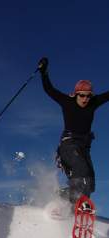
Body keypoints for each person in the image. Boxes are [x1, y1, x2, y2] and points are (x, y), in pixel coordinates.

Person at [38, 57, 109, 207]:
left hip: (84, 148)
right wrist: (44, 72)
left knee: (89, 182)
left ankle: (62, 198)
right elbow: (49, 90)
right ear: (75, 94)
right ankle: (77, 204)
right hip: (68, 145)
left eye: (88, 95)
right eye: (82, 95)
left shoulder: (93, 103)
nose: (85, 99)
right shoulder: (67, 102)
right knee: (81, 170)